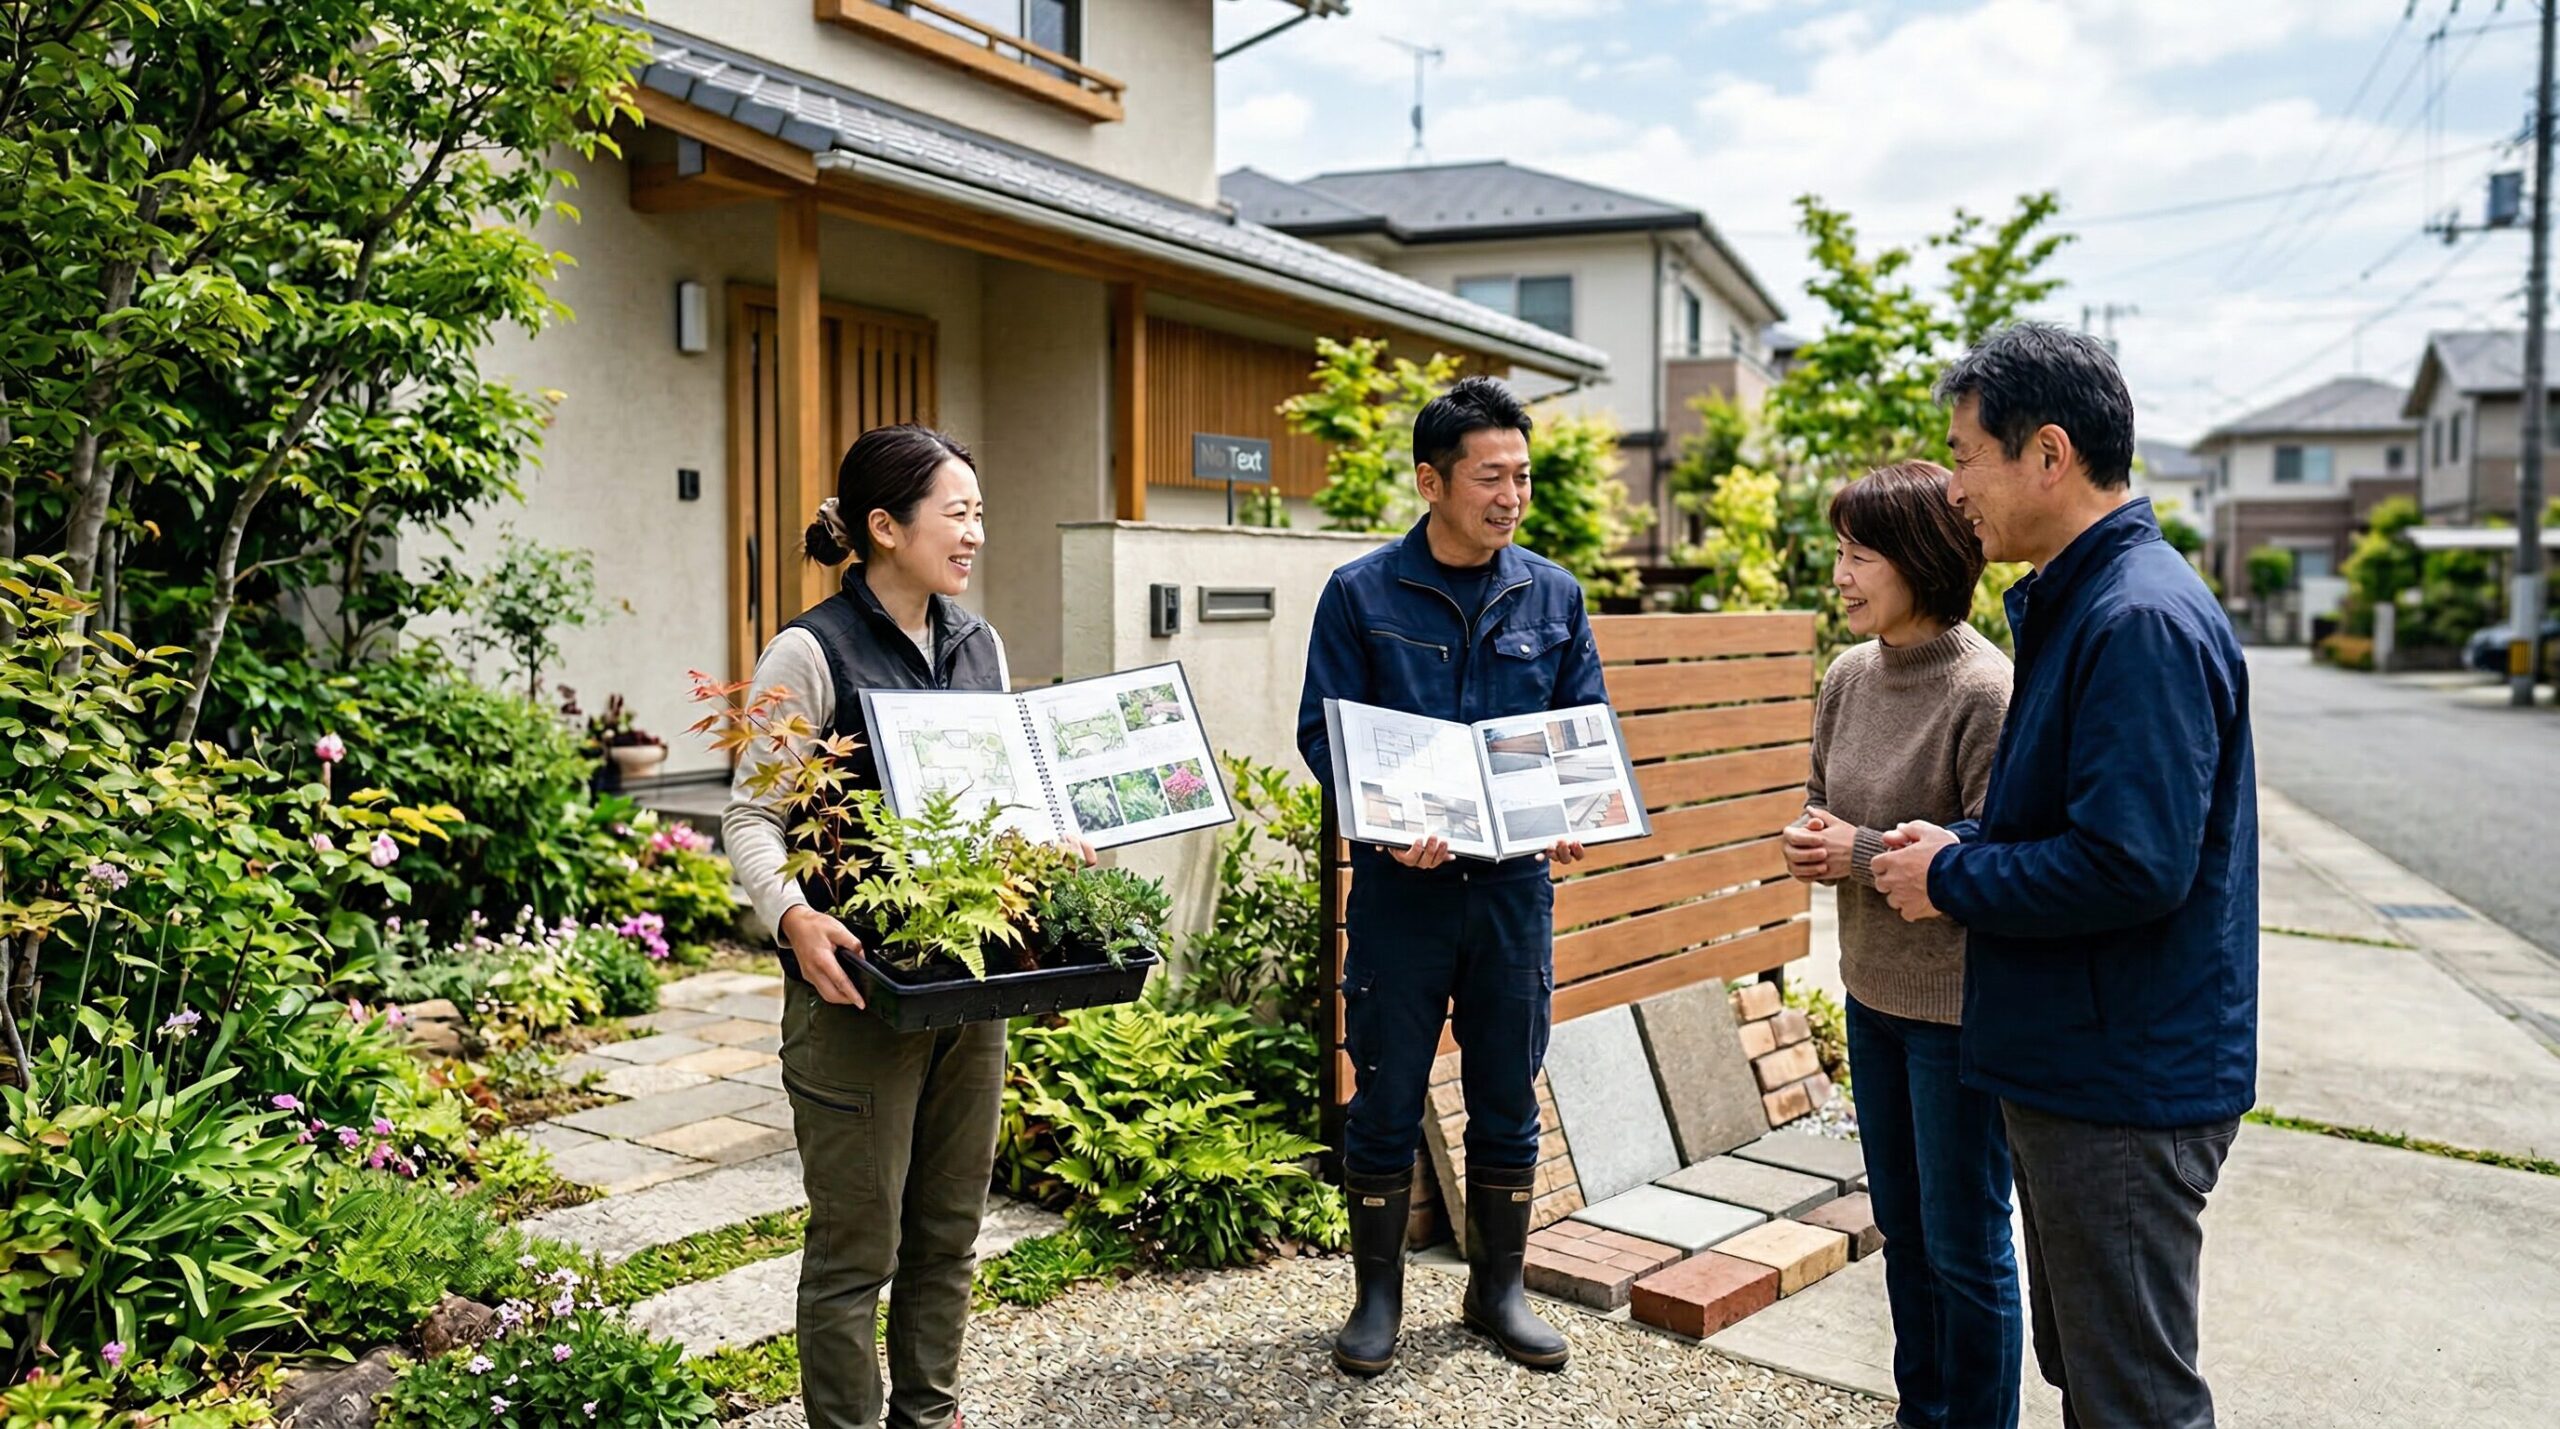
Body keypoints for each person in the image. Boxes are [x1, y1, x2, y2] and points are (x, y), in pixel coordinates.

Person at [1870, 323, 2258, 1429]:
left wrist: (1953, 875)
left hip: (2123, 1077)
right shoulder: (2085, 599)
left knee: (2132, 1393)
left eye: (1963, 455)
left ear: (2047, 453)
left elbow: (2130, 865)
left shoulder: (2135, 617)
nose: (1952, 490)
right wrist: (1964, 852)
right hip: (2083, 1060)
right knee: (2091, 1372)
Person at [724, 423, 1034, 1429]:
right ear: (884, 526)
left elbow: (999, 803)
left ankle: (930, 1414)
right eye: (958, 511)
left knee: (948, 1232)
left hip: (968, 987)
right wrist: (795, 916)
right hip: (855, 994)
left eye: (979, 512)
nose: (974, 533)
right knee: (858, 1251)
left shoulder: (978, 645)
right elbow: (750, 816)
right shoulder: (809, 650)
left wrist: (1040, 848)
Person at [1297, 375, 1605, 1377]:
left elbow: (1579, 722)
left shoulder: (1552, 593)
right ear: (1431, 480)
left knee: (1506, 1092)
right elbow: (1324, 732)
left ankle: (1496, 1289)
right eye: (1490, 475)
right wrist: (1386, 830)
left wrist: (1570, 810)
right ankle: (1375, 1299)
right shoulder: (1361, 594)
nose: (1510, 493)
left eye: (1521, 474)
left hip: (1513, 892)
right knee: (1384, 1094)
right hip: (1401, 896)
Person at [1783, 461, 2021, 1429]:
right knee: (1903, 1232)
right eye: (1838, 552)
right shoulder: (1847, 675)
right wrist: (1811, 839)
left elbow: (1997, 864)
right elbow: (1823, 802)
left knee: (1966, 1246)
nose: (1837, 573)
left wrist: (1863, 849)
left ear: (1918, 559)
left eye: (1856, 554)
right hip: (1870, 994)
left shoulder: (1986, 689)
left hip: (1959, 1016)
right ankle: (1920, 1411)